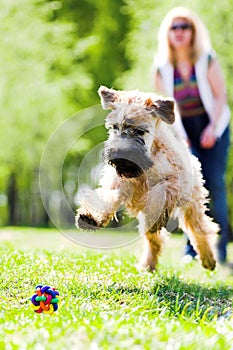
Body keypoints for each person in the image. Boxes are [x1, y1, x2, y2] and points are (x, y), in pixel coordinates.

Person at [153, 7, 231, 263]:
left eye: (184, 27)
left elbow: (220, 96)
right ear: (168, 33)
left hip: (213, 125)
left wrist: (212, 128)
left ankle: (219, 248)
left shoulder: (206, 58)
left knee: (215, 185)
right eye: (174, 27)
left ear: (193, 32)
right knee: (189, 185)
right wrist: (179, 138)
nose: (179, 32)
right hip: (183, 129)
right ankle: (191, 249)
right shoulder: (162, 66)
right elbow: (165, 109)